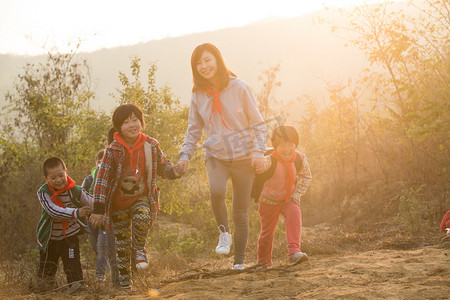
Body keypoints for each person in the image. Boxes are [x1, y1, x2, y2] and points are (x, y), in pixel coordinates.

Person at [177, 43, 267, 270]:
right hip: (215, 155)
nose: (203, 66)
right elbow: (194, 130)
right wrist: (185, 156)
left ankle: (238, 262)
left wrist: (258, 152)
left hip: (243, 156)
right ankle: (223, 233)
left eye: (207, 60)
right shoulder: (197, 94)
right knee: (217, 191)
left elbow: (258, 124)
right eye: (198, 63)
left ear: (217, 60)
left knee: (240, 211)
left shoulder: (240, 87)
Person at [89, 103, 182, 290]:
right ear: (118, 127)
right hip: (118, 205)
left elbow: (164, 166)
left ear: (141, 122)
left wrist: (175, 171)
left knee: (142, 216)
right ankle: (125, 286)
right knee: (121, 247)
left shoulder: (151, 145)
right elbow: (102, 180)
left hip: (142, 198)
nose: (132, 125)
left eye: (135, 120)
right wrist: (98, 209)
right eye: (126, 122)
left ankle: (140, 248)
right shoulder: (112, 150)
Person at [252, 125, 312, 268]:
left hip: (288, 199)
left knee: (294, 214)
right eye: (282, 146)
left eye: (290, 145)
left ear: (295, 145)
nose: (287, 149)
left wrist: (296, 194)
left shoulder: (300, 159)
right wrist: (258, 153)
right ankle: (263, 261)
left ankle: (294, 253)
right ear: (275, 147)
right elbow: (258, 167)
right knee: (267, 232)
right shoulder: (269, 160)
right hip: (268, 201)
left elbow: (307, 177)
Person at [36, 157, 93, 294]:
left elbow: (91, 202)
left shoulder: (75, 190)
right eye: (53, 178)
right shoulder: (43, 193)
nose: (59, 180)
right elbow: (53, 211)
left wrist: (99, 211)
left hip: (70, 236)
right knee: (47, 270)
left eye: (61, 175)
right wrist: (76, 213)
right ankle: (45, 289)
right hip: (50, 238)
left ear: (66, 172)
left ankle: (76, 287)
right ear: (46, 179)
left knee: (72, 263)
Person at [81, 150, 119, 285]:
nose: (101, 164)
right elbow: (81, 195)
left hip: (105, 218)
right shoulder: (89, 179)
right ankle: (104, 263)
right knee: (94, 246)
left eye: (104, 162)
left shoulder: (111, 178)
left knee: (101, 246)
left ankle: (100, 275)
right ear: (96, 163)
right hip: (91, 219)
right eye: (99, 162)